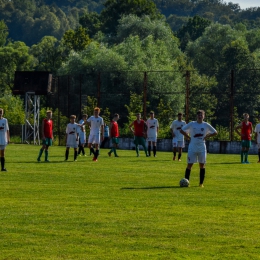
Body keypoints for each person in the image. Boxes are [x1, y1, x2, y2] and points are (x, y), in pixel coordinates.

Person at [180, 110, 217, 187]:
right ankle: (186, 182)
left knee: (202, 165)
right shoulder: (192, 124)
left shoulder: (206, 125)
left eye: (201, 115)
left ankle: (201, 183)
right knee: (189, 164)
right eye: (199, 115)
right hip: (192, 147)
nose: (200, 116)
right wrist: (187, 137)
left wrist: (207, 136)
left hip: (202, 147)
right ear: (197, 116)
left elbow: (215, 132)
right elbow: (181, 130)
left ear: (204, 116)